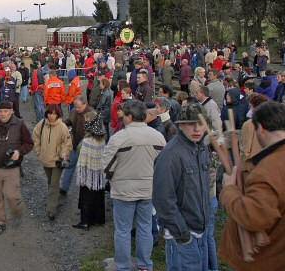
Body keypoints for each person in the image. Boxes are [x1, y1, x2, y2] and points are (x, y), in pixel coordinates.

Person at [219, 101, 285, 270]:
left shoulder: (270, 168)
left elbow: (254, 217)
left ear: (260, 129)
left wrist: (229, 190)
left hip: (269, 259)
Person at [102, 100, 166, 271]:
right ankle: (145, 265)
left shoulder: (119, 138)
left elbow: (106, 167)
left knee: (122, 230)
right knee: (145, 227)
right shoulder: (158, 137)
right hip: (148, 190)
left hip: (123, 191)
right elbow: (163, 165)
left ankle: (123, 266)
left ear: (129, 116)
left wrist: (113, 180)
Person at [153, 102, 211, 271]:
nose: (197, 129)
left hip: (200, 231)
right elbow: (163, 199)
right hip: (183, 236)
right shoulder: (171, 155)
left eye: (200, 124)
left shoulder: (201, 148)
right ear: (181, 125)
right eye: (191, 124)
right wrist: (183, 234)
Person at [0, 101, 34, 235]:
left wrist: (19, 152)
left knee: (12, 196)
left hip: (12, 168)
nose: (3, 114)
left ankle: (17, 211)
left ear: (11, 112)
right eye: (1, 111)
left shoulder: (19, 124)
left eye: (6, 111)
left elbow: (29, 143)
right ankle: (0, 222)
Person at [32, 104, 71, 220]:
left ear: (58, 114)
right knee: (50, 182)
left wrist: (63, 154)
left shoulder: (62, 126)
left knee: (53, 184)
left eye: (54, 113)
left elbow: (67, 142)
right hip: (45, 160)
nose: (51, 116)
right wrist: (39, 151)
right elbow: (35, 137)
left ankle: (51, 209)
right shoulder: (42, 124)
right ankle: (54, 199)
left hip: (57, 161)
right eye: (49, 113)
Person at [73, 108, 106, 230]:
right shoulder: (101, 138)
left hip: (88, 174)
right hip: (98, 173)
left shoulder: (87, 141)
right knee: (98, 196)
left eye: (86, 120)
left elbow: (82, 160)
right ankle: (98, 219)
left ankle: (85, 222)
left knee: (86, 198)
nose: (84, 123)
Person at [60, 96, 91, 195]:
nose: (77, 109)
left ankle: (86, 191)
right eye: (75, 107)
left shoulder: (92, 114)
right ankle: (64, 188)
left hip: (86, 148)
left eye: (79, 107)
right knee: (69, 166)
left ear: (85, 104)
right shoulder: (74, 111)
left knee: (85, 169)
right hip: (74, 144)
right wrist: (62, 124)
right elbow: (69, 121)